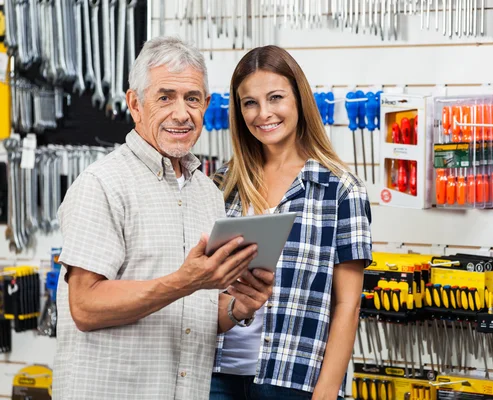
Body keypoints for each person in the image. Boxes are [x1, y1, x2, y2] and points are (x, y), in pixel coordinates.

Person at [52, 36, 274, 400]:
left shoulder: (208, 194)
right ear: (135, 104)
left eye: (192, 99)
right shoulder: (102, 184)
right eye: (165, 97)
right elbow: (85, 307)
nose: (181, 113)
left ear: (206, 105)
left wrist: (238, 308)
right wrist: (182, 282)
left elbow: (192, 314)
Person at [211, 45, 373, 400]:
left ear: (299, 100)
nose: (263, 113)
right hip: (216, 375)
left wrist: (327, 390)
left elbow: (348, 304)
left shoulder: (340, 190)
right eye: (249, 102)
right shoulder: (221, 185)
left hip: (291, 377)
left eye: (275, 98)